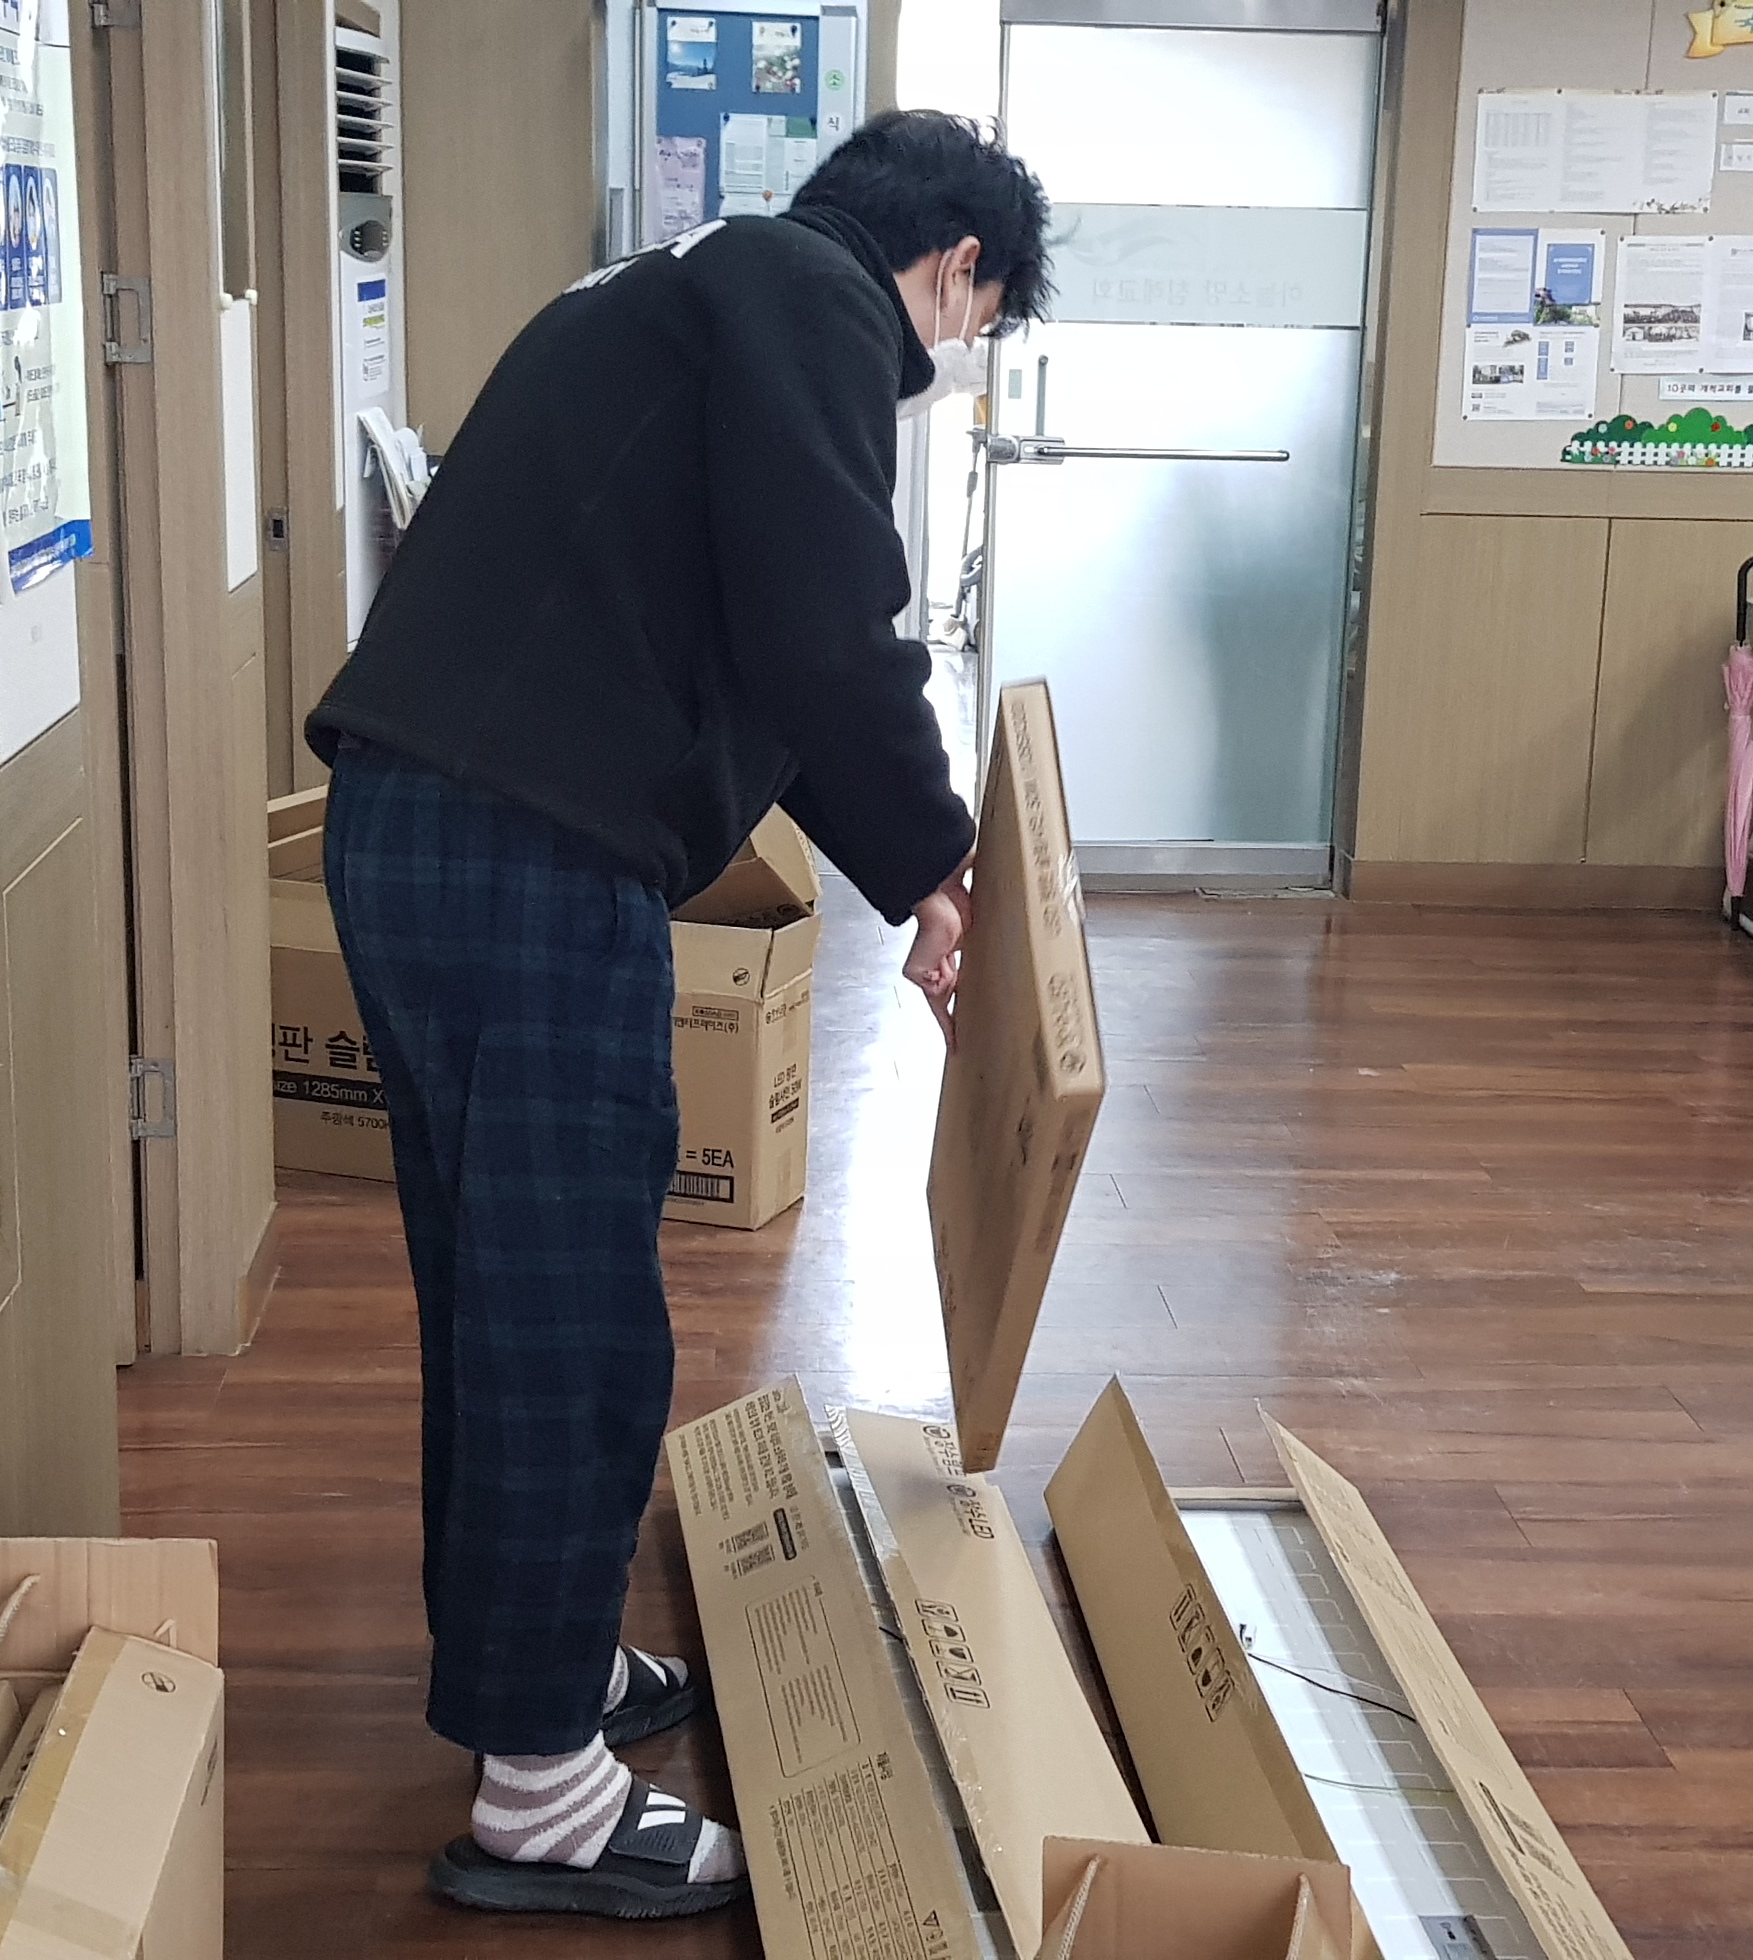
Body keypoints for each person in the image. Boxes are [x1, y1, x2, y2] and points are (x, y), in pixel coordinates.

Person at [301, 111, 1050, 1921]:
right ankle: (541, 1796)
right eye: (978, 322)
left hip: (430, 824)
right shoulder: (813, 301)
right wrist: (940, 860)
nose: (953, 359)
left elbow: (762, 636)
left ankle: (536, 1680)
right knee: (566, 1317)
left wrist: (912, 868)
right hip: (525, 847)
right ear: (956, 263)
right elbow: (828, 628)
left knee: (501, 1293)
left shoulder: (689, 284)